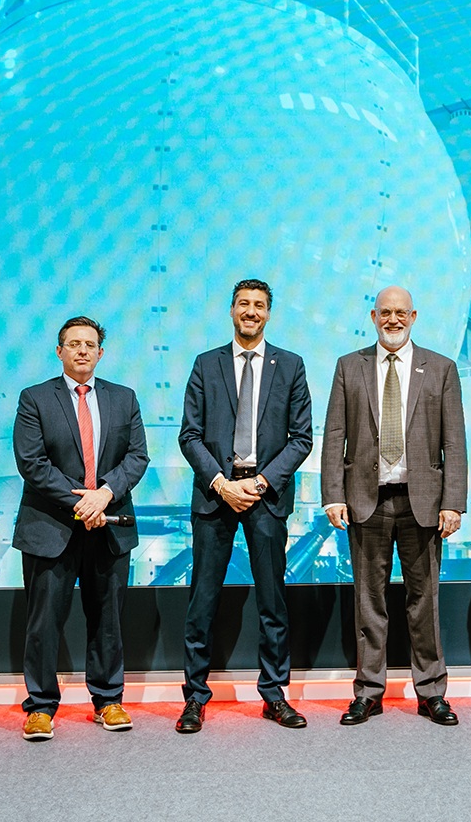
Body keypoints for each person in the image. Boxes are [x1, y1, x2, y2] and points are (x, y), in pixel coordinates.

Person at [321, 285, 468, 727]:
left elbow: (454, 441)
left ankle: (432, 692)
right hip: (367, 502)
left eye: (401, 312)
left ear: (414, 316)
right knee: (369, 602)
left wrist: (453, 502)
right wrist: (333, 494)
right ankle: (368, 692)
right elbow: (334, 435)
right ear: (373, 316)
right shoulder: (349, 366)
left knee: (425, 602)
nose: (393, 320)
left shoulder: (441, 368)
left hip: (422, 503)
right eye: (385, 312)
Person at [175, 279, 314, 733]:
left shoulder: (290, 365)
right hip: (215, 494)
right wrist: (221, 483)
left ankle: (274, 695)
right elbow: (189, 435)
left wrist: (260, 481)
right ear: (231, 310)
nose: (251, 311)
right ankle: (195, 698)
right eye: (243, 304)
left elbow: (302, 438)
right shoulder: (206, 364)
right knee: (202, 602)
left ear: (268, 313)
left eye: (259, 305)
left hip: (265, 495)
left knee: (272, 602)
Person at [12, 316, 151, 741]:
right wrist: (82, 502)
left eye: (90, 344)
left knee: (108, 621)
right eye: (74, 344)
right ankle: (40, 707)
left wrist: (103, 495)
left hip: (109, 525)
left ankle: (108, 701)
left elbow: (137, 457)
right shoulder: (35, 398)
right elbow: (32, 463)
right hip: (50, 527)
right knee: (43, 623)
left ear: (100, 353)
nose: (82, 350)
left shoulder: (124, 398)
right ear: (60, 351)